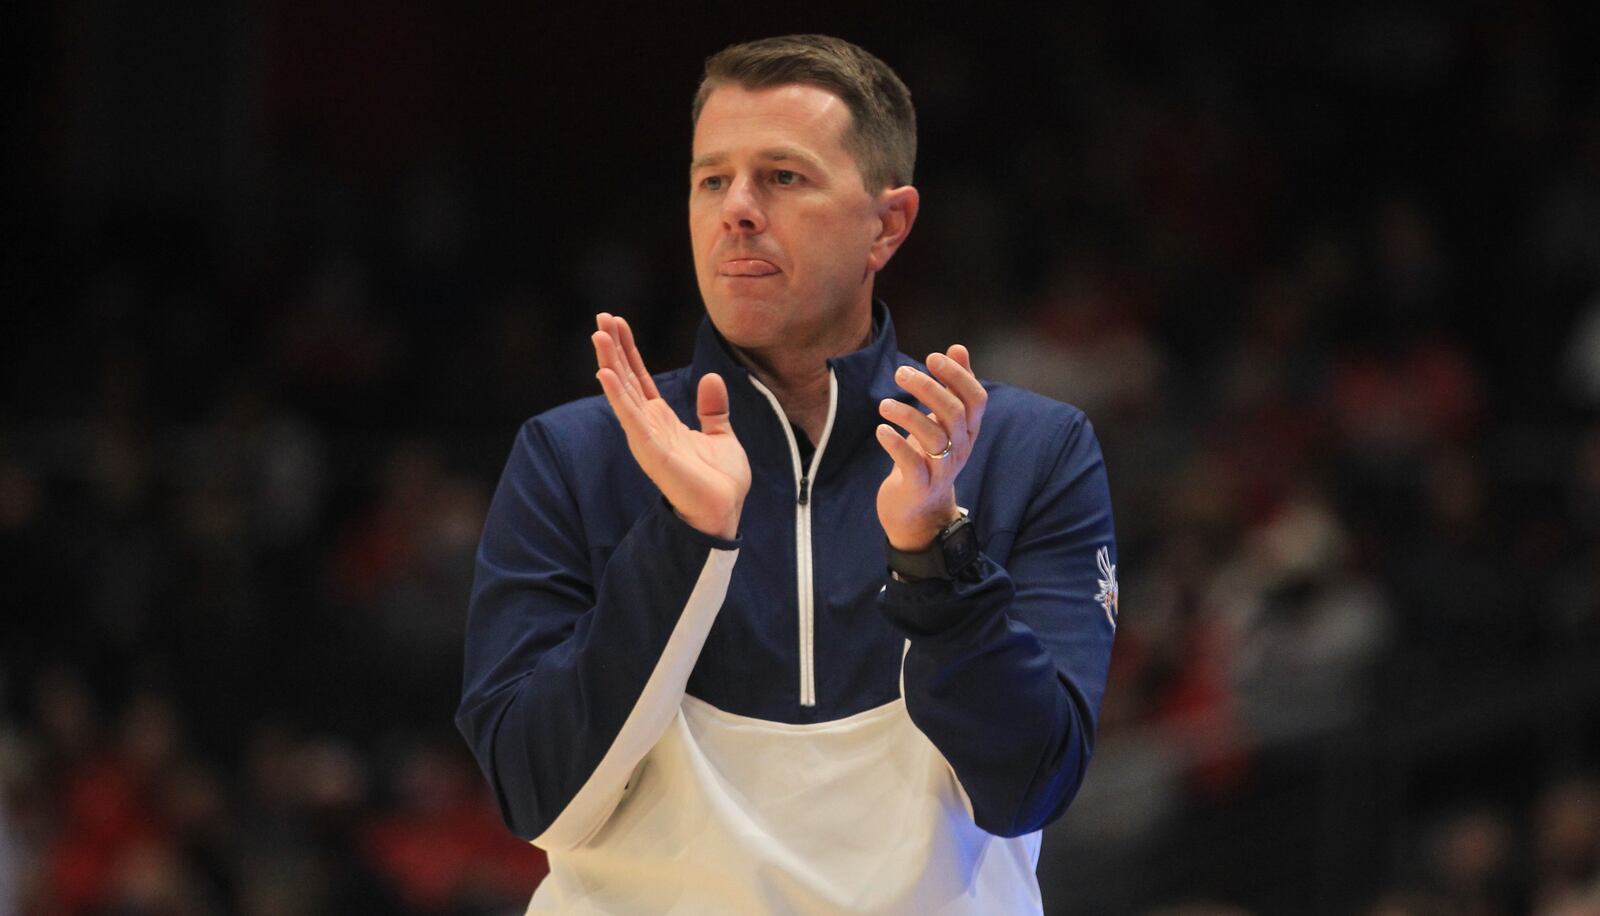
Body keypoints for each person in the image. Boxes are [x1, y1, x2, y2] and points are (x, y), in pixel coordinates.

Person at [456, 34, 1118, 914]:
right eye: (711, 179)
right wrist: (684, 541)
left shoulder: (1028, 449)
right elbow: (537, 798)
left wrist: (933, 556)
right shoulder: (574, 454)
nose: (737, 210)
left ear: (888, 224)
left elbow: (1029, 787)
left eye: (783, 177)